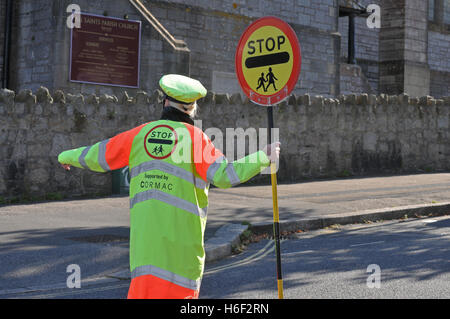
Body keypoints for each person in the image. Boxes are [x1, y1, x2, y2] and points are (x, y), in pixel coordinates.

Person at [58, 74, 281, 299]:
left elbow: (99, 154)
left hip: (145, 251)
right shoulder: (196, 139)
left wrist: (67, 156)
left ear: (165, 102)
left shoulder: (140, 134)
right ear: (192, 108)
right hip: (181, 254)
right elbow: (225, 175)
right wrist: (263, 156)